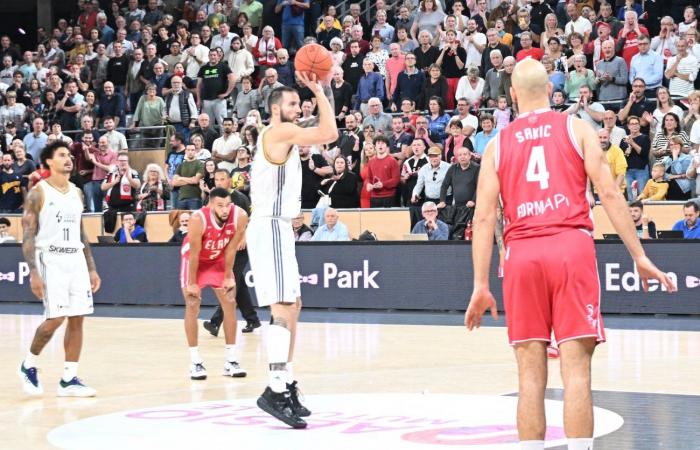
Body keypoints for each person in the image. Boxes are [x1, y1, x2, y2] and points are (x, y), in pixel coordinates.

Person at [465, 58, 675, 450]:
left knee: (529, 376)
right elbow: (610, 194)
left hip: (522, 254)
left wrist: (480, 283)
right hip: (570, 247)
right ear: (549, 90)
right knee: (577, 373)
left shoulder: (496, 144)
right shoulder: (576, 127)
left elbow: (482, 217)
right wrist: (639, 255)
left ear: (512, 96)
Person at [247, 75, 338, 428]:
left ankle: (285, 381)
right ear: (274, 109)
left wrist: (320, 93)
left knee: (293, 304)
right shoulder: (278, 132)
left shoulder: (283, 135)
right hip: (270, 225)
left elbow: (325, 129)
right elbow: (329, 133)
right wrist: (319, 90)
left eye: (299, 105)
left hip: (279, 227)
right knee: (283, 306)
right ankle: (275, 389)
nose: (298, 109)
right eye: (291, 104)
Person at [18, 140, 102, 397]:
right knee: (55, 319)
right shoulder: (38, 193)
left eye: (69, 155)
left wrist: (91, 268)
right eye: (62, 155)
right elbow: (28, 236)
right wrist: (33, 271)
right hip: (50, 259)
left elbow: (81, 233)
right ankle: (29, 364)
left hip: (75, 260)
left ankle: (69, 378)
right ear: (49, 162)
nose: (68, 159)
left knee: (78, 318)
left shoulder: (77, 192)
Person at [180, 187, 248, 380]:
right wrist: (192, 282)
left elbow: (232, 249)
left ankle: (231, 360)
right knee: (193, 303)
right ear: (210, 205)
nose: (225, 210)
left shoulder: (240, 216)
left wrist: (228, 275)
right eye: (220, 206)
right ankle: (195, 362)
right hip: (195, 261)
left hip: (218, 259)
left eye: (227, 205)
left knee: (230, 302)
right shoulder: (197, 219)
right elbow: (194, 253)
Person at [203, 169, 262, 336]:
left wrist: (244, 236)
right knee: (239, 284)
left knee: (229, 282)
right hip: (225, 246)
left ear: (229, 180)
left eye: (223, 179)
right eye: (216, 179)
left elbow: (251, 219)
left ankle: (215, 322)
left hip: (240, 247)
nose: (219, 182)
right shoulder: (213, 200)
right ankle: (252, 319)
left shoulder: (239, 198)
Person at [173, 144, 205, 210]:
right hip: (181, 199)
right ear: (185, 151)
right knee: (181, 220)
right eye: (188, 150)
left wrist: (181, 178)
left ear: (195, 151)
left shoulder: (199, 164)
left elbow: (196, 180)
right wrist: (191, 180)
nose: (190, 152)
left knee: (194, 219)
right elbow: (174, 182)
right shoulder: (181, 165)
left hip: (195, 199)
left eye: (192, 150)